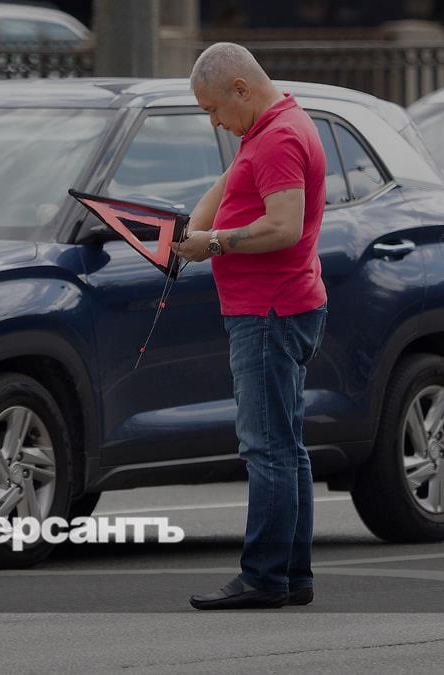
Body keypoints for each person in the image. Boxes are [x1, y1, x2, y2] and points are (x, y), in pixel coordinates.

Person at [174, 42, 327, 610]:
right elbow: (228, 185)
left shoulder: (280, 136)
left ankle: (264, 576)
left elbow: (284, 226)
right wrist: (186, 234)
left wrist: (211, 243)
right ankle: (291, 574)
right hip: (280, 306)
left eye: (213, 109)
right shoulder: (268, 127)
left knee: (267, 448)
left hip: (268, 312)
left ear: (240, 88)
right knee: (286, 445)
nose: (214, 122)